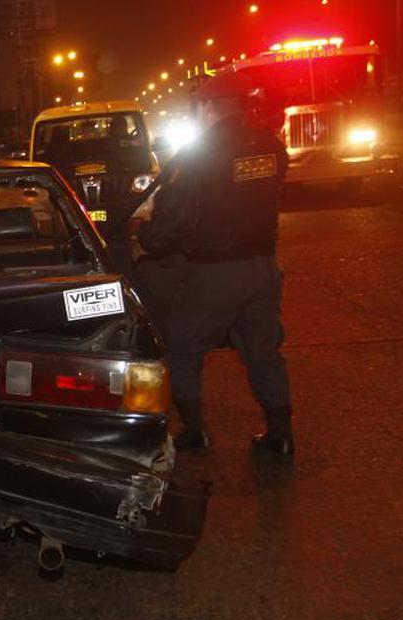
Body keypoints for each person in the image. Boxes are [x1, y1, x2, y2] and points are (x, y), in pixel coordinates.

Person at [131, 72, 294, 457]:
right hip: (263, 267)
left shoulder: (202, 154)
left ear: (206, 107)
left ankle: (195, 432)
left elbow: (175, 217)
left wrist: (146, 237)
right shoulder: (269, 145)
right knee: (263, 351)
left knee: (183, 349)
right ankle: (282, 434)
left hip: (216, 272)